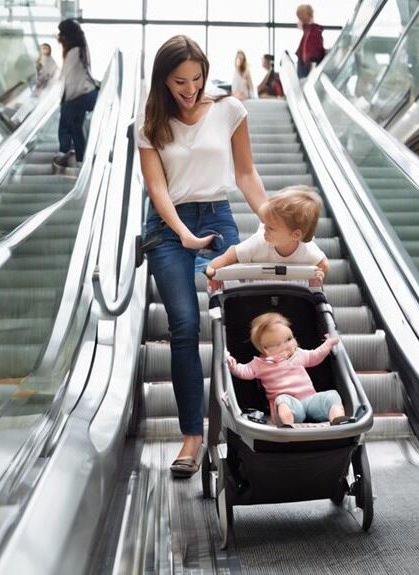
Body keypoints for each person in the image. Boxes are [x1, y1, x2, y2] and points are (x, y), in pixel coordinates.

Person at [137, 35, 267, 478]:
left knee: (238, 319)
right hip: (169, 226)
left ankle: (253, 419)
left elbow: (246, 173)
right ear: (163, 80)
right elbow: (156, 189)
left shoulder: (229, 110)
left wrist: (272, 219)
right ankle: (192, 435)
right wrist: (183, 234)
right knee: (185, 325)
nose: (190, 88)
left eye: (197, 78)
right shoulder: (150, 121)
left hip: (217, 217)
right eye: (179, 81)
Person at [226, 313, 346, 427]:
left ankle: (337, 419)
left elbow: (315, 355)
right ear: (266, 349)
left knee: (332, 396)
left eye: (289, 339)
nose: (288, 344)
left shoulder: (298, 354)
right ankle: (287, 425)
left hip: (310, 400)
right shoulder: (260, 364)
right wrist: (233, 366)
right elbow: (245, 371)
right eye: (279, 344)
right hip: (290, 406)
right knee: (281, 400)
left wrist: (328, 344)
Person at [204, 186, 329, 287]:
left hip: (286, 293)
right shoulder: (259, 242)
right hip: (256, 290)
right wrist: (213, 272)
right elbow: (231, 254)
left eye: (271, 227)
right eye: (264, 224)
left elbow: (323, 264)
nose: (264, 229)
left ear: (295, 235)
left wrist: (318, 277)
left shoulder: (308, 250)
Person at [54, 19, 98, 169]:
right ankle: (80, 160)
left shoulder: (74, 51)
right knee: (76, 126)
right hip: (88, 94)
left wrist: (64, 102)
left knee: (66, 119)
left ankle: (63, 152)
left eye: (62, 33)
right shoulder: (82, 48)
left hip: (82, 95)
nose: (60, 36)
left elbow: (69, 80)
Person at [295, 4, 325, 79]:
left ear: (302, 20)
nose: (297, 22)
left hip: (307, 77)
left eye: (298, 19)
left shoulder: (310, 34)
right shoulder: (312, 32)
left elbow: (311, 59)